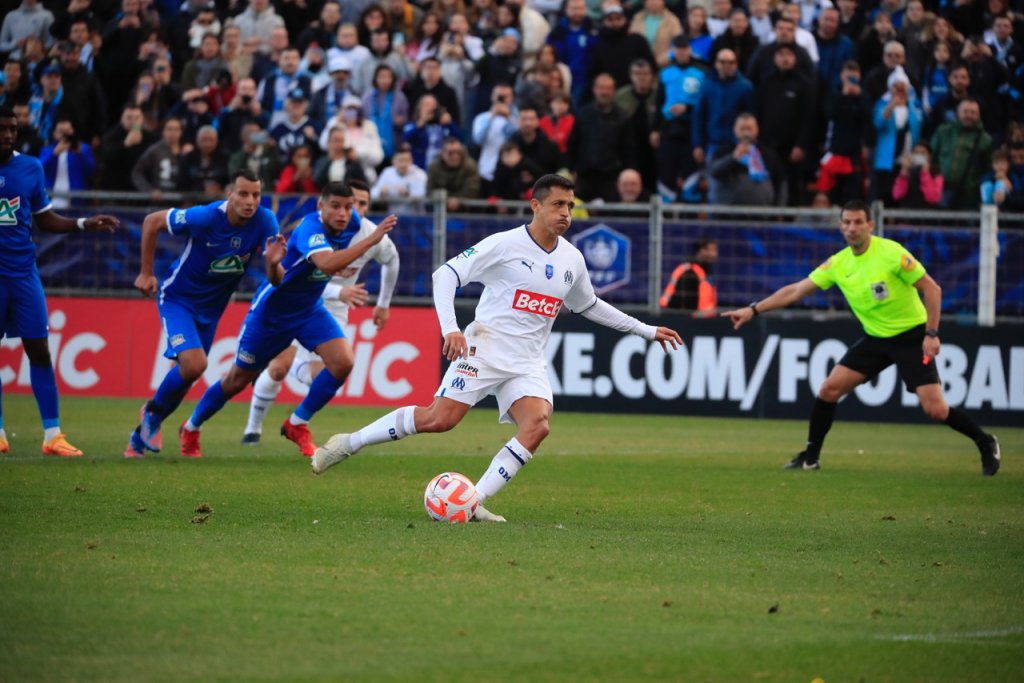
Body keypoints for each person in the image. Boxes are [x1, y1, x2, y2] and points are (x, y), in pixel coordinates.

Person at [310, 174, 683, 522]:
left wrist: (645, 331)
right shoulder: (505, 244)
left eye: (570, 206)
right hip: (483, 351)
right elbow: (445, 275)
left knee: (537, 425)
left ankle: (473, 502)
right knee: (439, 420)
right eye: (558, 205)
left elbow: (589, 305)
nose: (566, 213)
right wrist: (451, 329)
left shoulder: (572, 259)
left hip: (526, 363)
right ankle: (348, 443)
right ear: (535, 205)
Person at [722, 199, 1000, 476]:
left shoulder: (891, 253)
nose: (852, 228)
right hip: (876, 338)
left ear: (870, 225)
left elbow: (933, 289)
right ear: (841, 227)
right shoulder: (839, 263)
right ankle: (810, 457)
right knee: (829, 389)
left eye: (858, 222)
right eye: (847, 222)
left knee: (936, 410)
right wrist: (753, 309)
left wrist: (931, 333)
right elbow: (796, 291)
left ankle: (985, 442)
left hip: (912, 336)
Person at [179, 182, 396, 458]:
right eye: (335, 206)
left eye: (348, 207)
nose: (343, 213)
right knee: (236, 380)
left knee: (343, 362)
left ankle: (297, 423)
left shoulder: (353, 222)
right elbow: (327, 264)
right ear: (320, 205)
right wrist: (371, 239)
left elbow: (389, 256)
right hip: (272, 314)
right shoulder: (309, 228)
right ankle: (191, 426)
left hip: (310, 309)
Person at [125, 169, 282, 458]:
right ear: (229, 194)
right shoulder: (206, 217)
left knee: (185, 377)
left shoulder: (265, 222)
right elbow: (152, 221)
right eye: (243, 193)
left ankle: (137, 439)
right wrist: (146, 272)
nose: (250, 201)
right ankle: (151, 412)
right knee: (195, 365)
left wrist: (273, 264)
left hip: (212, 310)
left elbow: (276, 279)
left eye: (256, 195)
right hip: (178, 300)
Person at [242, 180, 400, 445]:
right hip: (301, 303)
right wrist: (338, 292)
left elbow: (393, 259)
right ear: (327, 205)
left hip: (334, 311)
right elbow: (308, 275)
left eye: (360, 205)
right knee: (279, 366)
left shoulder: (369, 233)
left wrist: (383, 304)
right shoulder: (318, 229)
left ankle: (295, 423)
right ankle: (252, 430)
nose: (353, 211)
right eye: (349, 204)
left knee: (321, 377)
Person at [0, 105, 119, 457]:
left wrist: (83, 223)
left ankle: (52, 435)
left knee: (39, 350)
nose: (7, 134)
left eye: (12, 129)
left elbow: (44, 218)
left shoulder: (30, 167)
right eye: (2, 128)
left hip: (23, 274)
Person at [660, 238, 718, 315]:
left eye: (714, 250)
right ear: (699, 250)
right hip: (687, 318)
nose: (713, 254)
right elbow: (683, 302)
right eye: (708, 250)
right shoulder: (690, 271)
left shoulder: (704, 271)